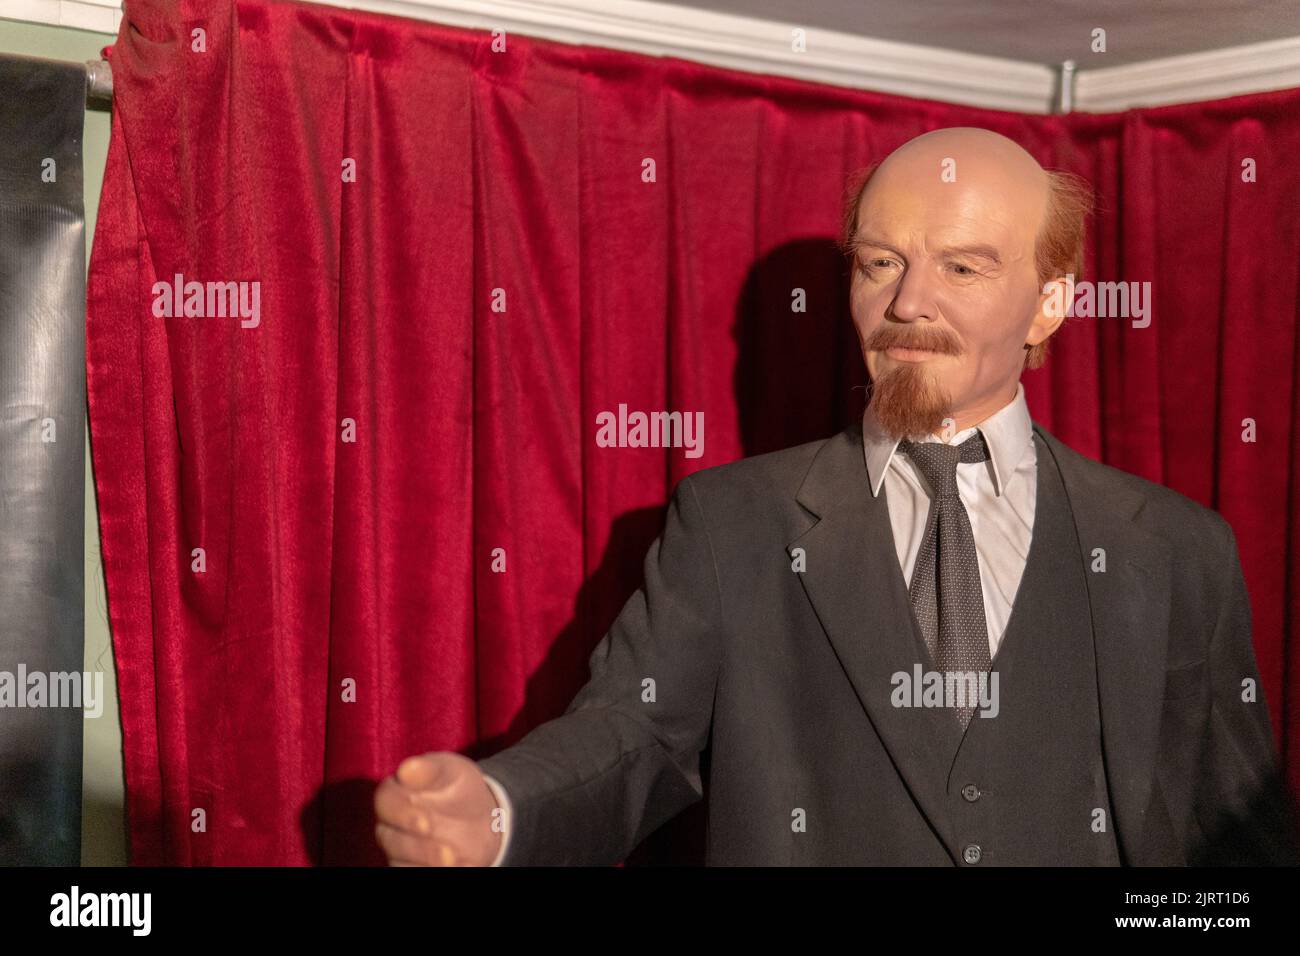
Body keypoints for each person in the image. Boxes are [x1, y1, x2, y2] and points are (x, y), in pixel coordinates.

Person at [374, 127, 1298, 866]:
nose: (907, 306)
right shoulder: (732, 524)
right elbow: (631, 735)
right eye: (880, 262)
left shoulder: (1172, 548)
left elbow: (1239, 840)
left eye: (963, 268)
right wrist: (502, 812)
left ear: (1052, 302)